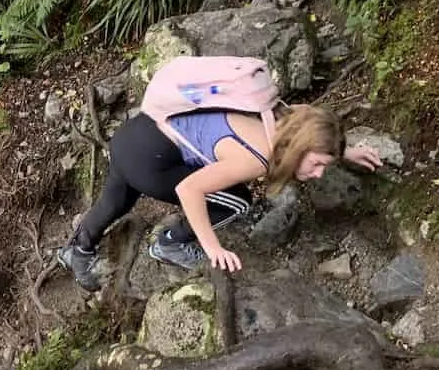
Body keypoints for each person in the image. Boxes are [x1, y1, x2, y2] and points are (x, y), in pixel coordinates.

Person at [57, 103, 383, 290]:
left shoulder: (280, 116)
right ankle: (171, 243)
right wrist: (213, 247)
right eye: (317, 164)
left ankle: (78, 250)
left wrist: (342, 150)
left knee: (117, 200)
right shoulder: (255, 156)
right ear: (300, 148)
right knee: (239, 199)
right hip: (152, 162)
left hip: (134, 136)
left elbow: (315, 127)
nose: (319, 174)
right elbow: (190, 189)